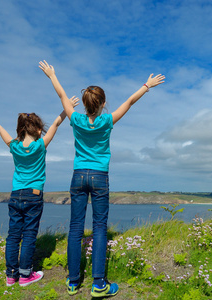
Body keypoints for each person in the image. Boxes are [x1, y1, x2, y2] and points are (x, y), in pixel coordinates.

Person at [39, 60, 165, 297]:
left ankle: (74, 282)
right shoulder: (107, 121)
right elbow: (129, 101)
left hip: (78, 176)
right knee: (99, 228)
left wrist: (52, 75)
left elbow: (62, 95)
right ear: (103, 104)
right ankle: (99, 284)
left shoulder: (75, 119)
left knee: (75, 228)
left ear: (85, 105)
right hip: (99, 177)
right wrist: (147, 85)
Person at [0, 98, 78, 287]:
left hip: (16, 194)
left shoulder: (14, 146)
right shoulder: (40, 145)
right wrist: (66, 108)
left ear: (20, 129)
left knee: (13, 235)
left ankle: (10, 275)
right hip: (34, 195)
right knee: (29, 234)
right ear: (38, 130)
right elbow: (56, 122)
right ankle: (25, 276)